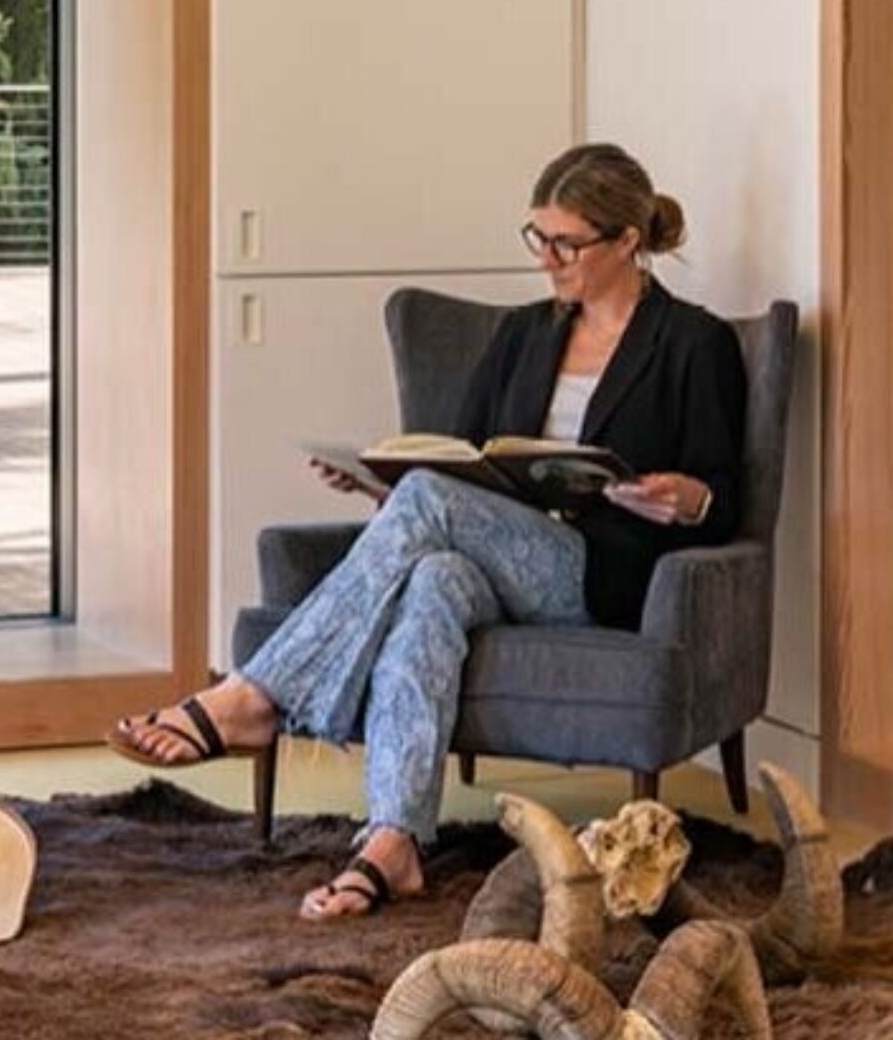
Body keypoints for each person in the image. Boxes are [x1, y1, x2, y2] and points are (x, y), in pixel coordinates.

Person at [107, 141, 748, 922]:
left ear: (626, 241)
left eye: (566, 243)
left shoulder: (693, 342)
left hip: (600, 571)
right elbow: (458, 462)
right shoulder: (524, 334)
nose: (546, 259)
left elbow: (728, 497)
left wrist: (688, 496)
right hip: (489, 555)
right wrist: (383, 484)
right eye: (538, 237)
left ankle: (257, 692)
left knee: (428, 511)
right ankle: (394, 840)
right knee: (435, 581)